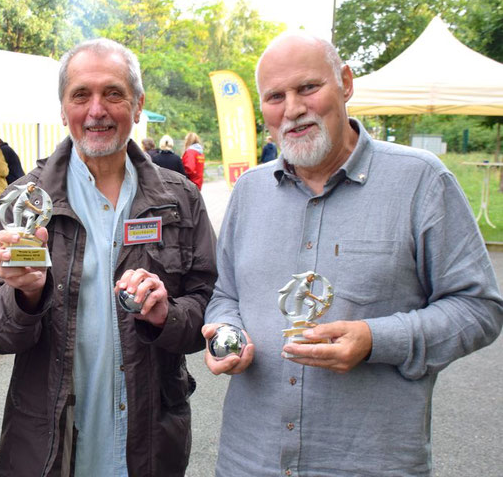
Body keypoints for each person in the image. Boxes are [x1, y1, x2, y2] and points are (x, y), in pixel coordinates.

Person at [202, 31, 503, 476]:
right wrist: (226, 330)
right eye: (274, 96)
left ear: (345, 82)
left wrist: (377, 340)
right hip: (250, 460)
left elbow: (478, 309)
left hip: (371, 463)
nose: (293, 109)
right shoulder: (249, 192)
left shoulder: (421, 181)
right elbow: (225, 293)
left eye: (308, 87)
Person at [0, 38, 217, 476]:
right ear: (63, 107)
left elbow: (207, 305)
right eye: (81, 95)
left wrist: (167, 315)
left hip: (149, 441)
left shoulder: (180, 199)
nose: (96, 110)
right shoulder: (24, 203)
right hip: (49, 444)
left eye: (113, 93)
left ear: (138, 104)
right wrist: (26, 297)